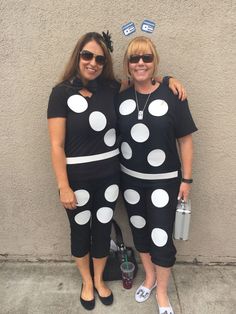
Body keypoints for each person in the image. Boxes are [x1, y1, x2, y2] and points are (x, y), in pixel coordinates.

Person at [47, 31, 186, 311]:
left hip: (110, 179)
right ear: (78, 57)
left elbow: (143, 79)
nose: (93, 62)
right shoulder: (60, 93)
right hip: (77, 180)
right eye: (87, 55)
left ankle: (99, 280)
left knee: (101, 230)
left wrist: (169, 79)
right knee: (79, 230)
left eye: (99, 58)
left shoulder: (111, 88)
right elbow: (56, 144)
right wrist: (63, 185)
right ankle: (86, 282)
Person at [117, 36, 197, 314]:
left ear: (155, 62)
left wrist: (186, 179)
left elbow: (185, 140)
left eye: (146, 58)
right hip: (129, 181)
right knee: (140, 232)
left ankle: (162, 292)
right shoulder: (120, 95)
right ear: (127, 65)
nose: (140, 63)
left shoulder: (172, 95)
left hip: (164, 182)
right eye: (134, 58)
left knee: (161, 238)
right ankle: (149, 278)